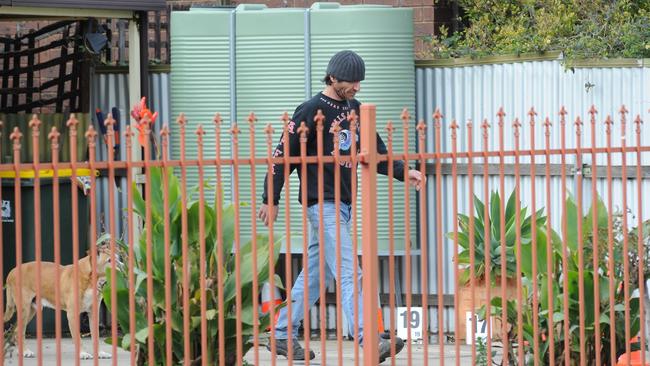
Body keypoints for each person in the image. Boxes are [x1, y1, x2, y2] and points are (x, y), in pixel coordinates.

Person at [258, 50, 425, 362]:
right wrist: (271, 197)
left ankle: (281, 334)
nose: (357, 87)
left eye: (360, 82)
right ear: (333, 78)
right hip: (322, 203)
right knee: (350, 271)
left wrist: (405, 171)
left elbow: (376, 152)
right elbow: (282, 155)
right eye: (351, 81)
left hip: (343, 206)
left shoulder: (356, 109)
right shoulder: (310, 109)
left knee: (316, 276)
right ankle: (369, 340)